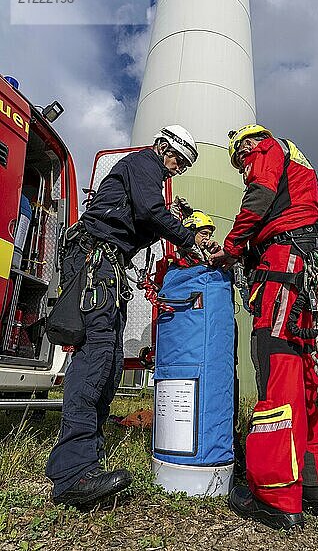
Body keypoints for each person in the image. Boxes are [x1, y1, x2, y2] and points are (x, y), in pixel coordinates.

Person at [46, 125, 199, 508]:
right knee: (96, 357)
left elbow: (144, 224)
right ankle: (72, 473)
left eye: (183, 165)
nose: (176, 169)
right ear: (164, 146)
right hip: (97, 263)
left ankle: (87, 460)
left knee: (111, 363)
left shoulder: (148, 176)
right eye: (177, 159)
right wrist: (188, 237)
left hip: (109, 267)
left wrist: (175, 224)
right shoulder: (143, 163)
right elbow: (150, 211)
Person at [210, 124, 318, 531]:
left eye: (239, 161)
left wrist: (232, 248)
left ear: (247, 144)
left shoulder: (265, 150)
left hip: (283, 269)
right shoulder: (301, 166)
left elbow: (260, 196)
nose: (242, 169)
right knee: (308, 378)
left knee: (276, 371)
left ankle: (276, 496)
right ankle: (316, 489)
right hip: (312, 272)